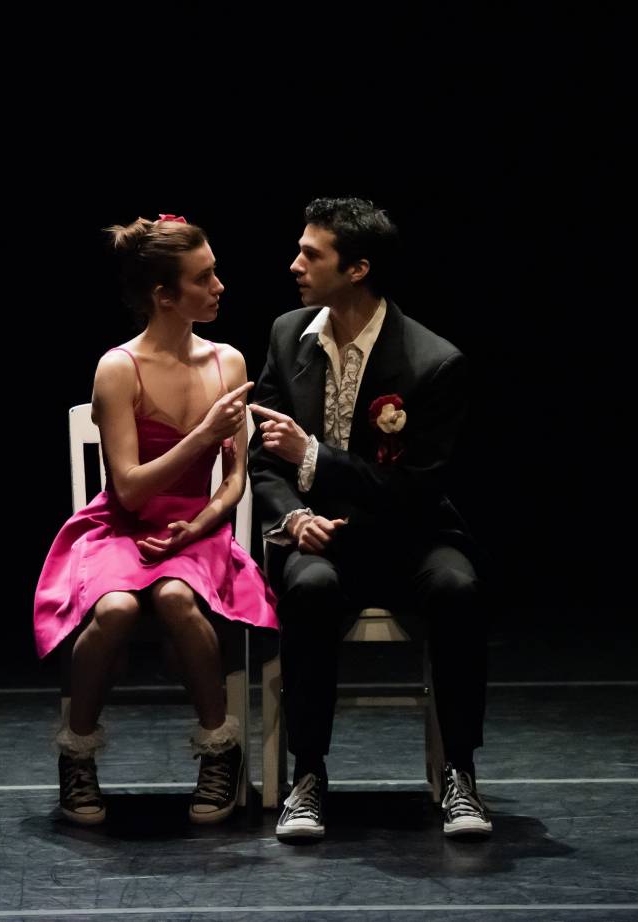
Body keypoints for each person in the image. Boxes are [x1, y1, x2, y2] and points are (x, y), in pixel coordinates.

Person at [248, 197, 491, 840]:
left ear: (357, 269)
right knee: (309, 587)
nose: (295, 263)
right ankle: (308, 775)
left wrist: (315, 457)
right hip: (319, 535)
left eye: (311, 253)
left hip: (409, 534)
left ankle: (460, 774)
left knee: (458, 587)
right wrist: (295, 516)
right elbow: (262, 459)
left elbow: (413, 488)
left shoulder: (433, 363)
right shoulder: (286, 334)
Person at [33, 214, 277, 826]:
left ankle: (220, 748)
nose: (220, 286)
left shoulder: (229, 361)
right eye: (204, 277)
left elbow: (234, 480)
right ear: (164, 295)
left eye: (216, 271)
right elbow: (132, 491)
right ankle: (78, 755)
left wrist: (206, 523)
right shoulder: (119, 367)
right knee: (115, 609)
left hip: (199, 528)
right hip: (122, 526)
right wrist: (201, 435)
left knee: (174, 597)